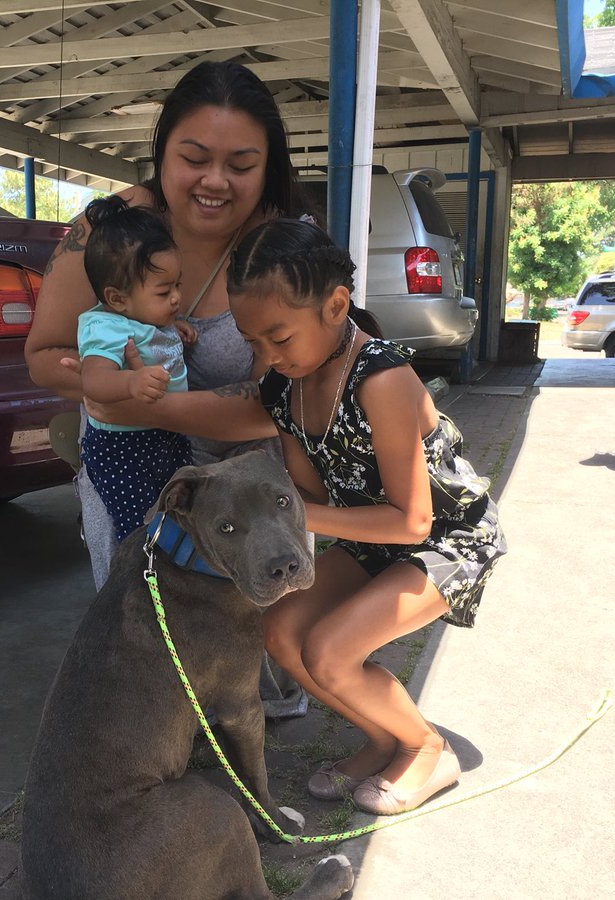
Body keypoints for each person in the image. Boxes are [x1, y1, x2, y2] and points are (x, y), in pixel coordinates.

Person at [25, 59, 310, 717]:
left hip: (251, 468)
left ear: (269, 168)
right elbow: (43, 354)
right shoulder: (107, 230)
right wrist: (98, 383)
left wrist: (155, 399)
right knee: (147, 610)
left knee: (259, 647)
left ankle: (266, 695)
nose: (215, 181)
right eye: (194, 158)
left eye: (241, 164)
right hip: (131, 456)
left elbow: (281, 401)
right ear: (161, 155)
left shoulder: (289, 243)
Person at [227, 218, 507, 815]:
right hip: (372, 540)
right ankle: (385, 738)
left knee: (329, 649)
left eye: (279, 337)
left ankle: (429, 749)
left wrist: (300, 515)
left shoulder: (381, 378)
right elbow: (313, 496)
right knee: (279, 632)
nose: (268, 357)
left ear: (335, 305)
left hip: (447, 541)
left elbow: (411, 522)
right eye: (253, 343)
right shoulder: (286, 387)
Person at [77, 196, 196, 542]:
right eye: (164, 292)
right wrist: (131, 382)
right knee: (140, 524)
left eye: (178, 285)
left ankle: (172, 562)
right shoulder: (105, 327)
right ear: (117, 299)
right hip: (123, 449)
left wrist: (176, 326)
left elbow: (155, 335)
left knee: (179, 507)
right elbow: (94, 380)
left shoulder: (146, 317)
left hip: (166, 434)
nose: (175, 298)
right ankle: (144, 572)